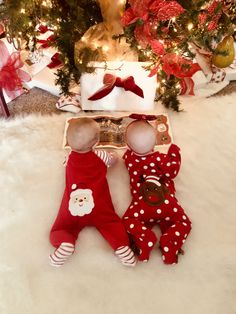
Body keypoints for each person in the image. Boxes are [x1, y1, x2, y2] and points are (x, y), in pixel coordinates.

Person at [49, 117, 136, 267]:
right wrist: (113, 156)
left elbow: (64, 164)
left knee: (61, 227)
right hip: (98, 206)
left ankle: (65, 243)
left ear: (68, 143)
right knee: (112, 223)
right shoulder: (100, 156)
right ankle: (122, 248)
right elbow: (113, 160)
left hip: (73, 207)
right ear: (96, 141)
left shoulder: (69, 158)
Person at [122, 118, 192, 265]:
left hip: (141, 205)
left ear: (128, 145)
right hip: (167, 202)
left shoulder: (129, 158)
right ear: (155, 143)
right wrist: (174, 152)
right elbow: (172, 170)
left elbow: (127, 153)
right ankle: (170, 242)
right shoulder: (159, 158)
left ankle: (145, 238)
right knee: (183, 222)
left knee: (128, 220)